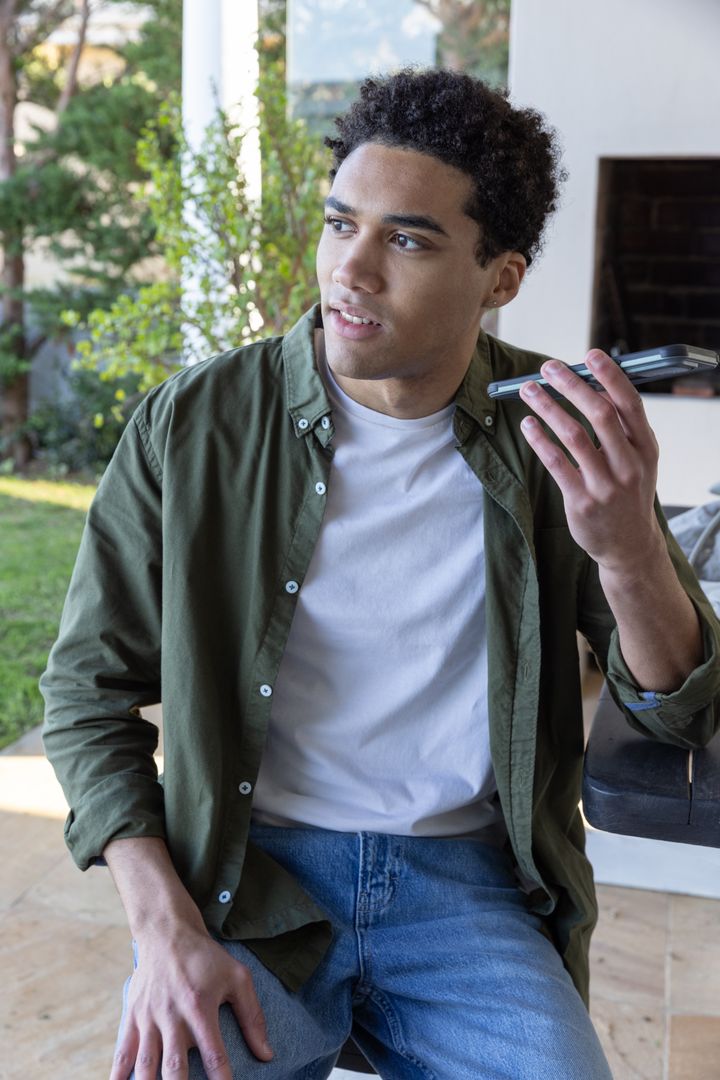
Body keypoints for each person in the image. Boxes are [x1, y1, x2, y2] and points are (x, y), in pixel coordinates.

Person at [41, 68, 720, 1080]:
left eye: (407, 238)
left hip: (472, 888)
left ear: (501, 277)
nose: (350, 270)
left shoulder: (555, 433)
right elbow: (84, 695)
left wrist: (624, 546)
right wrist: (163, 930)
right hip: (249, 880)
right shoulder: (193, 428)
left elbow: (676, 711)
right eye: (339, 223)